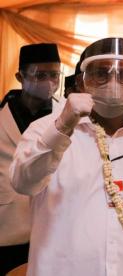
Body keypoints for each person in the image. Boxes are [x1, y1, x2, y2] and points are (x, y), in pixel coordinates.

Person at [9, 37, 123, 276]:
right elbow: (23, 182)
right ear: (81, 82)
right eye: (101, 73)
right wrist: (62, 128)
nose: (113, 83)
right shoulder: (46, 129)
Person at [0, 43, 62, 275]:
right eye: (40, 75)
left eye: (54, 75)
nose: (49, 81)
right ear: (20, 76)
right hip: (8, 229)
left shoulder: (67, 117)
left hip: (53, 226)